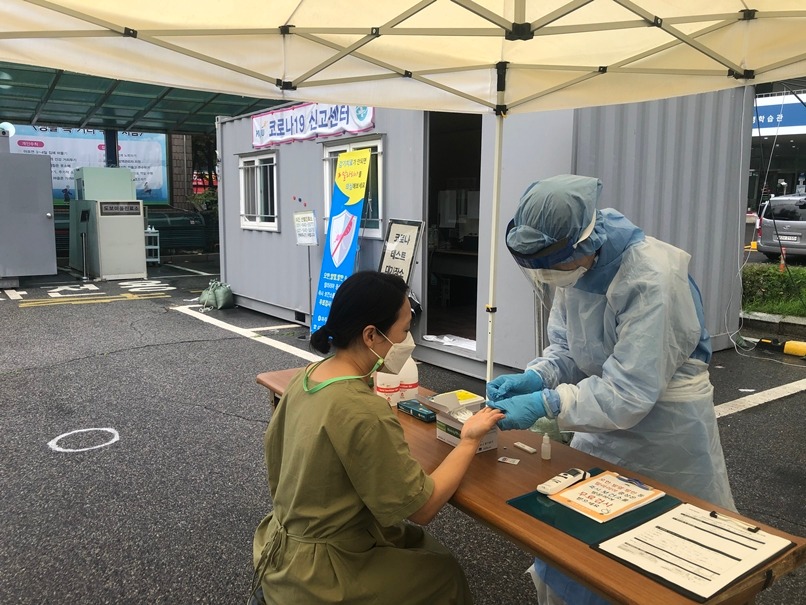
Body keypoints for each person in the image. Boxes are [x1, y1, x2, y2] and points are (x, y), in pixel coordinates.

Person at [486, 174, 735, 605]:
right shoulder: (577, 271)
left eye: (550, 263)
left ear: (583, 245)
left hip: (666, 434)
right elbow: (570, 348)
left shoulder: (652, 278)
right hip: (600, 421)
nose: (547, 275)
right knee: (582, 540)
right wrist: (539, 376)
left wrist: (549, 401)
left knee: (664, 554)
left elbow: (630, 390)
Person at [251, 270, 503, 605]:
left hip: (282, 541)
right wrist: (469, 439)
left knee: (409, 541)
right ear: (371, 335)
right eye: (404, 330)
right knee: (444, 574)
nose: (408, 341)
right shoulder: (363, 411)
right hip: (322, 572)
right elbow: (424, 508)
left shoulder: (308, 377)